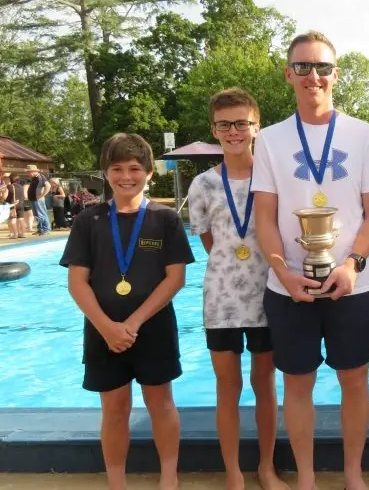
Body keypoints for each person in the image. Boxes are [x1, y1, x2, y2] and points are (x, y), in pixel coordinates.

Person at [251, 30, 369, 490]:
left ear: (336, 73)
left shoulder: (363, 135)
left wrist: (353, 264)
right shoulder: (268, 140)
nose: (314, 76)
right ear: (289, 74)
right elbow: (265, 218)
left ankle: (353, 475)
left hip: (354, 285)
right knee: (298, 384)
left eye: (322, 67)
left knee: (354, 380)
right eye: (304, 67)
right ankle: (306, 479)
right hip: (289, 286)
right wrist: (283, 272)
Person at [60, 132, 194, 490]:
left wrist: (132, 322)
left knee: (161, 404)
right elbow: (77, 283)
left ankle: (169, 477)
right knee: (115, 410)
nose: (126, 176)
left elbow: (175, 278)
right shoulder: (89, 220)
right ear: (106, 173)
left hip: (153, 327)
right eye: (116, 168)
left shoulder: (164, 219)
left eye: (135, 168)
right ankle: (116, 482)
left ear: (150, 173)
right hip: (103, 330)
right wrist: (106, 327)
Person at [187, 88, 288, 490]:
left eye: (241, 123)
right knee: (227, 388)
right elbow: (209, 242)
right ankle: (233, 472)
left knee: (265, 385)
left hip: (268, 296)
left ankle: (266, 466)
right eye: (224, 124)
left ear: (255, 126)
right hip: (222, 300)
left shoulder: (274, 180)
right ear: (214, 129)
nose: (233, 131)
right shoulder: (202, 185)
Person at [26, 164, 52, 235]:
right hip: (33, 199)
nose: (28, 174)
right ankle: (40, 229)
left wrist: (43, 195)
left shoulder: (41, 177)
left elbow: (48, 185)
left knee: (42, 214)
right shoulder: (34, 178)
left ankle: (46, 229)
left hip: (38, 200)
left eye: (29, 172)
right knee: (37, 215)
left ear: (34, 171)